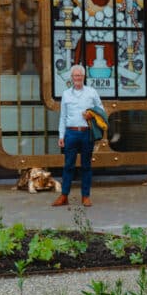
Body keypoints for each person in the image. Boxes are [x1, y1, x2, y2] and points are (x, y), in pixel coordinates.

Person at [52, 63, 105, 208]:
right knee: (68, 165)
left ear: (84, 76)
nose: (78, 78)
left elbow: (101, 109)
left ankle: (86, 196)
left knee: (86, 166)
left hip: (86, 133)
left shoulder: (91, 92)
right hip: (70, 133)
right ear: (71, 77)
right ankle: (64, 196)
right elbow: (63, 117)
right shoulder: (66, 94)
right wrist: (61, 136)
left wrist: (91, 114)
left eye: (80, 76)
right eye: (75, 75)